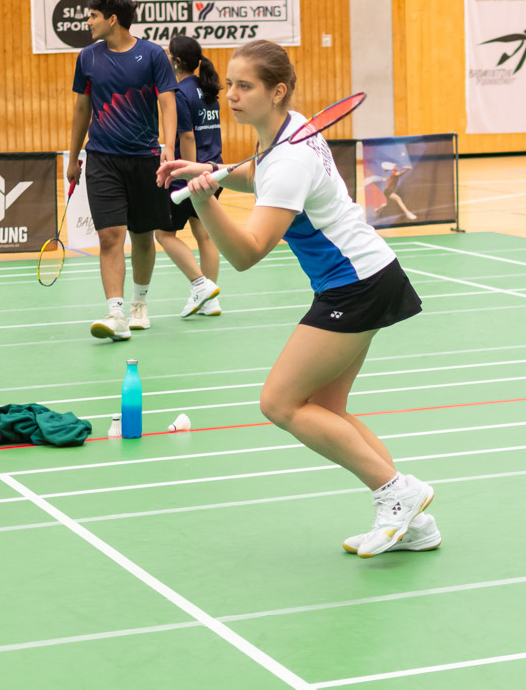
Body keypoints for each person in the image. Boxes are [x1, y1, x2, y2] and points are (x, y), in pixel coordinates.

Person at [156, 40, 438, 558]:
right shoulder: (290, 130)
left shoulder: (290, 159)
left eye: (245, 87)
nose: (231, 95)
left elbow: (247, 254)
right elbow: (257, 171)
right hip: (366, 276)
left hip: (354, 284)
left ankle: (398, 493)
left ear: (277, 91)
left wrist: (206, 203)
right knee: (327, 409)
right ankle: (415, 521)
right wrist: (210, 170)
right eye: (230, 84)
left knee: (280, 402)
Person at [68, 0, 177, 341]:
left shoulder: (153, 55)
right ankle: (115, 312)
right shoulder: (87, 57)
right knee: (109, 236)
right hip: (102, 158)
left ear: (112, 19)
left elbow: (167, 102)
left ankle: (139, 304)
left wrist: (169, 147)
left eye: (93, 16)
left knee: (142, 236)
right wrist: (73, 157)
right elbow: (81, 109)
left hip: (145, 158)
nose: (88, 22)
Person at [156, 36, 223, 317]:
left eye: (168, 52)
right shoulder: (207, 88)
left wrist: (190, 175)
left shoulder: (180, 93)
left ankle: (201, 286)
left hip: (191, 175)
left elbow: (187, 136)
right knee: (204, 235)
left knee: (163, 234)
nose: (165, 55)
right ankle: (210, 300)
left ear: (177, 61)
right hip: (214, 170)